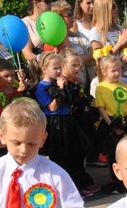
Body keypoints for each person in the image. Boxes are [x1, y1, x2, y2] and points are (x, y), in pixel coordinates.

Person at [36, 51, 96, 196]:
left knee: (73, 155)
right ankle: (63, 190)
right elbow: (52, 107)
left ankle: (77, 185)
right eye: (55, 68)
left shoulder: (61, 82)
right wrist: (60, 89)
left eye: (60, 67)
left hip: (68, 121)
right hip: (56, 124)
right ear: (45, 69)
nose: (58, 71)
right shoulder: (42, 87)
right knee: (61, 157)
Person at [95, 55, 127, 193]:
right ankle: (117, 182)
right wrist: (111, 125)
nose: (117, 73)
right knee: (113, 154)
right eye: (113, 70)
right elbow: (101, 108)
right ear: (104, 72)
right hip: (110, 121)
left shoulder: (124, 86)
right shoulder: (101, 88)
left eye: (119, 69)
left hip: (124, 121)